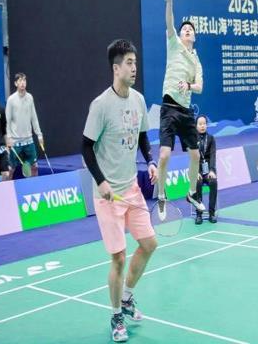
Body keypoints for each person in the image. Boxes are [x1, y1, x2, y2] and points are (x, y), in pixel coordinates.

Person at [82, 39, 158, 342]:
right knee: (118, 258)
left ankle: (126, 297)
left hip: (131, 188)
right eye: (129, 63)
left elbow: (142, 137)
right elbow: (86, 147)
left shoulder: (138, 100)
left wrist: (150, 161)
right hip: (108, 195)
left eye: (135, 62)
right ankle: (115, 316)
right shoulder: (101, 105)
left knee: (149, 244)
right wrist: (100, 181)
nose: (134, 68)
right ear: (116, 68)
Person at [157, 0, 205, 212]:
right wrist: (169, 2)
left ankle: (192, 193)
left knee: (195, 155)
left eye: (190, 30)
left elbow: (200, 87)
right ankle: (161, 194)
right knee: (164, 155)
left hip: (185, 112)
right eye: (184, 29)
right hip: (169, 107)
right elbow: (169, 22)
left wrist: (189, 85)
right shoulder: (174, 44)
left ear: (194, 37)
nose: (186, 30)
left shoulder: (197, 62)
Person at [6, 73, 44, 179]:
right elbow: (7, 121)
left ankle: (34, 187)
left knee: (35, 167)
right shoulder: (11, 100)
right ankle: (6, 188)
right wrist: (8, 137)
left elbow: (34, 117)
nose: (23, 83)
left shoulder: (30, 97)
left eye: (24, 80)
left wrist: (39, 134)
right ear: (15, 83)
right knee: (11, 169)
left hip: (29, 141)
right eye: (20, 81)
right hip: (15, 142)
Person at [195, 115, 218, 224]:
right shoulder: (192, 139)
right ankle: (199, 214)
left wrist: (212, 170)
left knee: (213, 182)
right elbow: (192, 158)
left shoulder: (211, 138)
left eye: (204, 124)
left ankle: (211, 213)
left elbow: (213, 155)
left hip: (209, 170)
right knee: (198, 182)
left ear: (207, 125)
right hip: (197, 170)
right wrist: (196, 172)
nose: (202, 126)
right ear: (196, 126)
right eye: (200, 124)